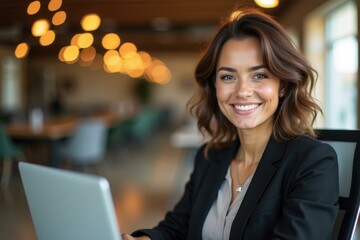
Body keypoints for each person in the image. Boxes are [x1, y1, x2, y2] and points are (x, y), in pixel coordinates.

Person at [122, 8, 339, 240]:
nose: (242, 91)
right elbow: (177, 228)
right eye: (228, 76)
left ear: (283, 85)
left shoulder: (313, 161)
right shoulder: (211, 158)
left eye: (259, 75)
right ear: (215, 86)